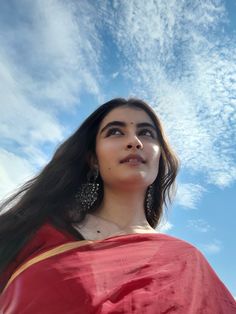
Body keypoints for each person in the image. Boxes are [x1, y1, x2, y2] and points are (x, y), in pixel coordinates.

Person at [0, 98, 235, 313]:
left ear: (159, 156)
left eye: (146, 133)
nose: (134, 142)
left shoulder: (188, 265)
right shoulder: (32, 234)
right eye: (115, 132)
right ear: (93, 158)